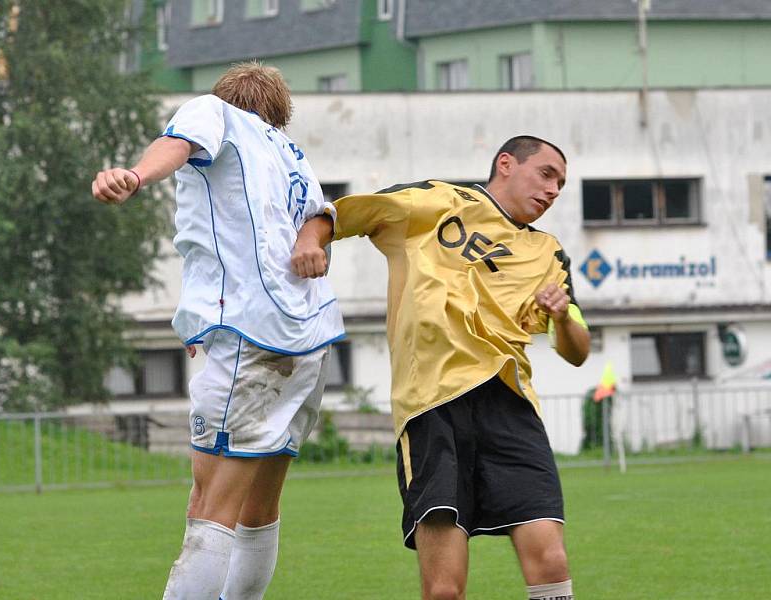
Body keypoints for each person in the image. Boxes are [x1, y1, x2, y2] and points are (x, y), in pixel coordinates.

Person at [292, 136, 589, 600]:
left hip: (508, 405)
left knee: (550, 559)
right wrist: (310, 241)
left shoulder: (550, 254)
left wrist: (561, 315)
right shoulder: (437, 200)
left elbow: (577, 349)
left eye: (561, 184)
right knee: (444, 589)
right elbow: (341, 214)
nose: (554, 190)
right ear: (507, 164)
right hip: (431, 406)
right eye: (547, 174)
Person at [92, 62, 344, 600]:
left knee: (210, 506)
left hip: (251, 333)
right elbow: (322, 215)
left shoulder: (215, 112)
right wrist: (309, 242)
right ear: (281, 111)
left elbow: (177, 145)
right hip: (312, 338)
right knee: (260, 506)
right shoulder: (293, 155)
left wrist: (135, 176)